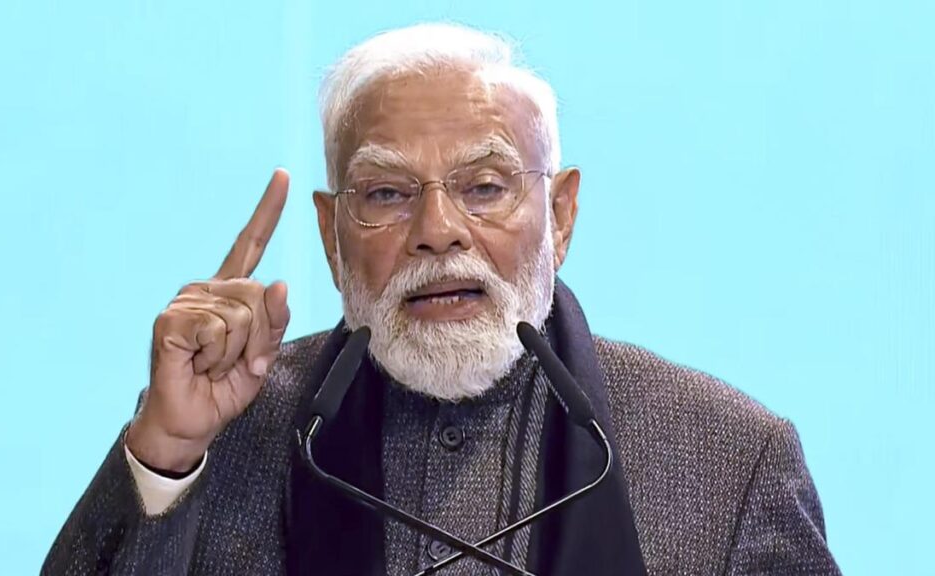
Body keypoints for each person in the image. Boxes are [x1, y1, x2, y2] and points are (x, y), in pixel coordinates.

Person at [43, 23, 840, 575]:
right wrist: (167, 454)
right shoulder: (228, 431)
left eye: (484, 187)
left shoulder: (729, 458)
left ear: (561, 215)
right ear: (331, 236)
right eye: (387, 194)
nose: (436, 232)